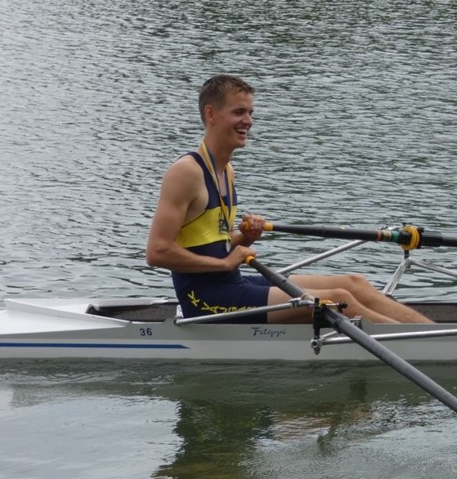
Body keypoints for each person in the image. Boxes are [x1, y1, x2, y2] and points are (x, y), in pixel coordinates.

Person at [146, 74, 432, 325]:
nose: (248, 121)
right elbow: (157, 252)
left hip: (231, 283)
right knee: (338, 299)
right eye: (239, 112)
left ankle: (435, 337)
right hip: (204, 300)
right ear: (211, 114)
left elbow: (210, 243)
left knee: (354, 283)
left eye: (250, 112)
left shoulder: (226, 170)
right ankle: (424, 346)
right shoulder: (186, 172)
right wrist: (224, 264)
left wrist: (245, 238)